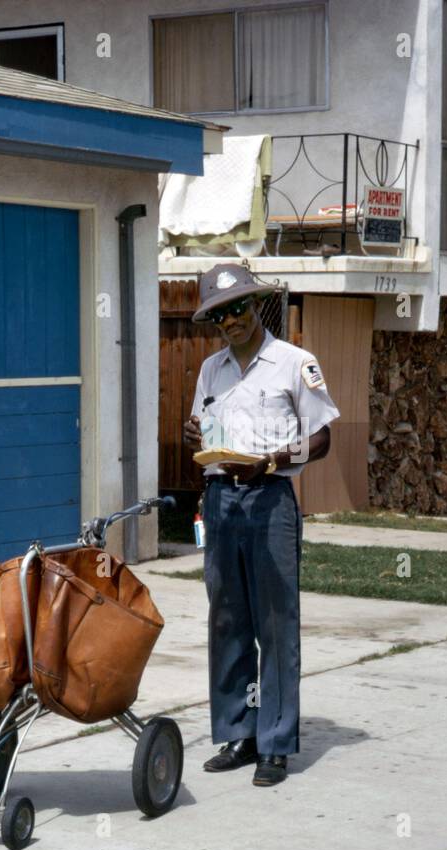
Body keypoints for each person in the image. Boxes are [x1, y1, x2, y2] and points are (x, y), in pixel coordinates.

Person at [183, 264, 339, 787]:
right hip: (221, 499)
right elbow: (202, 431)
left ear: (256, 306)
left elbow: (321, 439)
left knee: (275, 623)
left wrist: (269, 462)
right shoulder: (211, 370)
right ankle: (240, 733)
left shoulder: (295, 363)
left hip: (271, 500)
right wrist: (196, 439)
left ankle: (275, 743)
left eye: (238, 308)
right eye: (220, 314)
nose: (231, 320)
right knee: (227, 620)